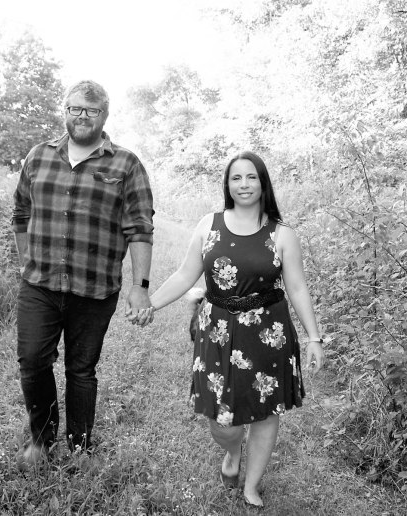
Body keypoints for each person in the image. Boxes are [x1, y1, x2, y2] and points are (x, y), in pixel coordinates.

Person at [144, 151, 324, 508]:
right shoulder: (209, 225)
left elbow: (298, 288)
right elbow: (185, 274)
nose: (244, 184)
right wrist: (151, 303)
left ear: (263, 183)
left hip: (268, 332)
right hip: (217, 330)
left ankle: (251, 485)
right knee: (221, 420)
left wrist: (314, 338)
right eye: (236, 178)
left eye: (251, 177)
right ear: (227, 184)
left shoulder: (282, 234)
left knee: (265, 411)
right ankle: (231, 455)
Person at [11, 80, 155, 467]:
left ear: (104, 116)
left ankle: (79, 447)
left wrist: (140, 288)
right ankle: (41, 440)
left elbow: (140, 229)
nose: (82, 117)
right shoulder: (38, 157)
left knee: (81, 369)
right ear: (65, 111)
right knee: (32, 360)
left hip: (94, 289)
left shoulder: (125, 164)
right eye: (75, 108)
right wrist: (27, 262)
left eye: (90, 111)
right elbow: (21, 214)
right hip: (39, 284)